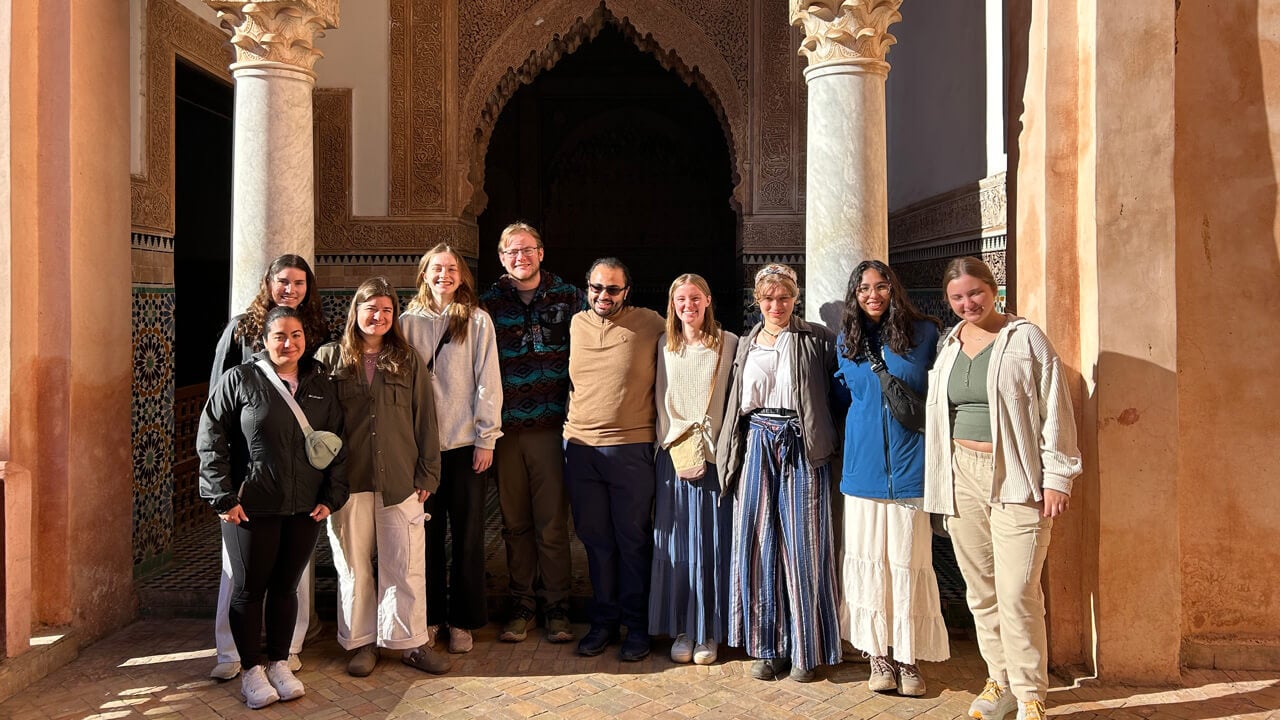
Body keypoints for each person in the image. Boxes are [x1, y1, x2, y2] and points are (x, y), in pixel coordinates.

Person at [923, 257, 1082, 720]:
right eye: (957, 297)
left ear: (995, 290)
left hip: (1017, 475)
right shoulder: (949, 344)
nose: (967, 303)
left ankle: (1031, 692)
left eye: (975, 293)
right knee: (981, 590)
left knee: (1018, 591)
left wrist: (1057, 477)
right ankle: (1000, 681)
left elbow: (1056, 408)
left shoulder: (1024, 337)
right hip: (961, 476)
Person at [197, 305, 348, 710]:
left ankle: (280, 662)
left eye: (296, 335)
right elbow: (211, 436)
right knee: (249, 589)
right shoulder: (241, 379)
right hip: (251, 507)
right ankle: (250, 670)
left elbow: (337, 443)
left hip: (303, 507)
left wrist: (332, 496)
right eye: (279, 336)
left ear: (305, 339)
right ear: (263, 340)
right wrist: (222, 496)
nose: (288, 343)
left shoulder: (320, 383)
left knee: (286, 587)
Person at [314, 277, 453, 678]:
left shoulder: (407, 359)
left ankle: (409, 643)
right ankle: (361, 643)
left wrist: (428, 471)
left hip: (401, 479)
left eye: (387, 310)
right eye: (371, 308)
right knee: (353, 564)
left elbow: (426, 420)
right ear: (356, 311)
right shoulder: (329, 359)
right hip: (347, 481)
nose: (379, 316)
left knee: (405, 563)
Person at [717, 263, 842, 683]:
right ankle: (768, 648)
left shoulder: (817, 339)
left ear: (795, 298)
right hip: (756, 443)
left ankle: (806, 650)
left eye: (784, 297)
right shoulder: (745, 343)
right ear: (758, 301)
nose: (776, 305)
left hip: (801, 445)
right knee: (758, 543)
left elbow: (837, 392)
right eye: (768, 298)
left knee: (804, 545)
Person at [207, 254, 329, 681]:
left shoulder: (315, 331)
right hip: (249, 476)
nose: (291, 290)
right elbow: (218, 405)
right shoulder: (242, 327)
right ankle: (232, 654)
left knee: (288, 577)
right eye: (283, 282)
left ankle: (285, 652)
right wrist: (224, 483)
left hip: (297, 481)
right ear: (269, 284)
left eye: (299, 283)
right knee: (242, 574)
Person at [833, 260, 948, 696]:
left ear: (894, 289)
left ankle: (909, 657)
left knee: (907, 561)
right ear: (854, 295)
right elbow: (842, 396)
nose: (873, 294)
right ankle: (877, 655)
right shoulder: (847, 340)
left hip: (911, 469)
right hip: (862, 472)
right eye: (864, 288)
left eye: (881, 286)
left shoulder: (926, 335)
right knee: (870, 566)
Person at [479, 222, 580, 644]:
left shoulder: (571, 297)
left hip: (552, 430)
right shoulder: (487, 305)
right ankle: (522, 604)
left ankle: (557, 606)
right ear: (502, 258)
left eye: (527, 249)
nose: (520, 257)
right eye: (511, 251)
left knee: (552, 523)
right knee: (515, 523)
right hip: (507, 433)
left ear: (541, 253)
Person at [401, 244, 503, 654]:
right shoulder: (406, 323)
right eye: (437, 268)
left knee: (467, 535)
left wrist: (486, 437)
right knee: (423, 535)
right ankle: (426, 618)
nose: (445, 275)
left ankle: (462, 621)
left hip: (464, 445)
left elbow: (487, 380)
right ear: (424, 273)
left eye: (452, 269)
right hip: (420, 449)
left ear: (461, 276)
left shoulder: (477, 321)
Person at [563, 257, 666, 661]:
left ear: (627, 291)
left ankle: (637, 625)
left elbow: (696, 337)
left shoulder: (651, 323)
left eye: (612, 289)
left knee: (633, 539)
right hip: (580, 450)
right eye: (596, 288)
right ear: (586, 287)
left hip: (631, 448)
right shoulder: (574, 325)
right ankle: (603, 622)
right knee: (595, 540)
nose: (603, 296)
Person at [649, 274, 738, 666]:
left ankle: (710, 632)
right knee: (678, 547)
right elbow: (657, 401)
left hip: (715, 459)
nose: (689, 305)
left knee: (712, 547)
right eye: (681, 299)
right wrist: (675, 447)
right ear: (672, 304)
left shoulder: (730, 344)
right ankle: (683, 628)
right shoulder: (663, 346)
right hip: (673, 459)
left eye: (695, 298)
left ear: (708, 300)